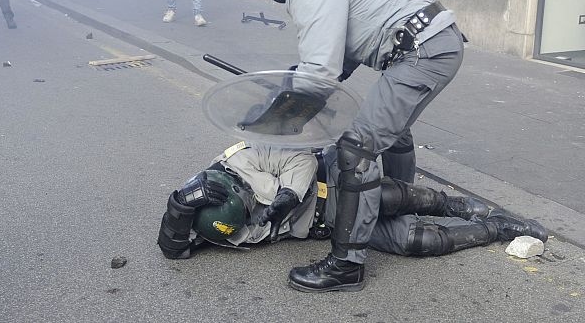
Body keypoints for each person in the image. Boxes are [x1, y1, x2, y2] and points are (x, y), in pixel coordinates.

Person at [230, 0, 467, 292]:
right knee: (390, 131)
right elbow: (337, 60)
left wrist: (281, 117)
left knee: (357, 148)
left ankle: (346, 264)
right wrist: (289, 93)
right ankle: (393, 213)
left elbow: (320, 74)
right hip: (431, 41)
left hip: (422, 49)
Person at [157, 141, 547, 275]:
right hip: (329, 225)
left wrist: (283, 201)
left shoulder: (242, 158)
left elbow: (302, 162)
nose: (249, 218)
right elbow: (174, 249)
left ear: (234, 187)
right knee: (416, 240)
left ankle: (463, 206)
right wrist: (178, 206)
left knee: (395, 198)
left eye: (245, 206)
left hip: (333, 184)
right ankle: (498, 229)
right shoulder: (210, 222)